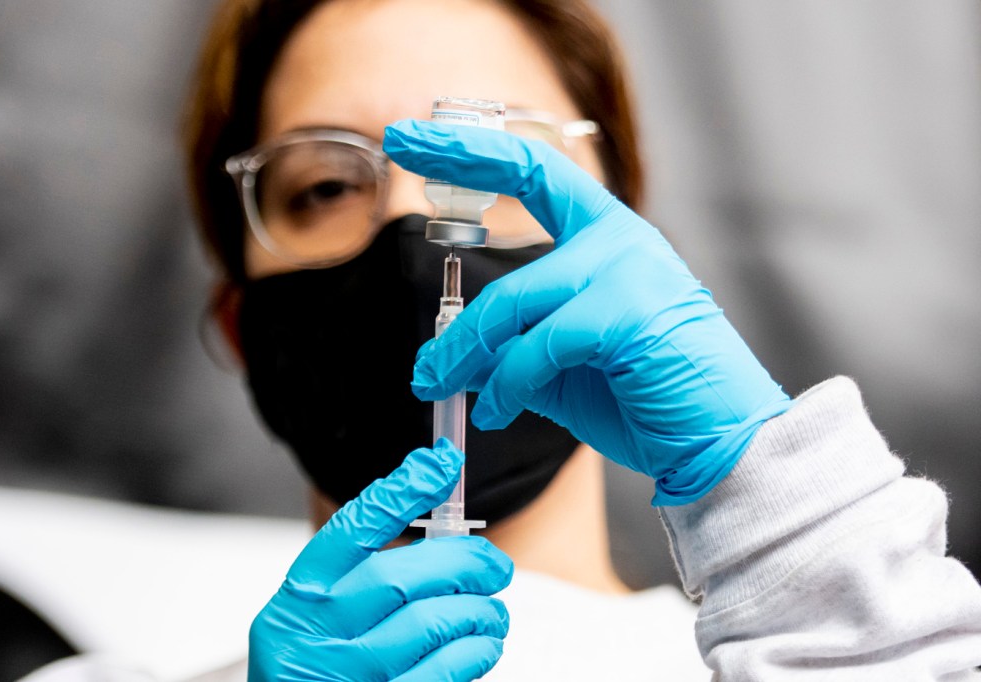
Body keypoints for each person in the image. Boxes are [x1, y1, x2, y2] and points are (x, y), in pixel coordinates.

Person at [181, 0, 981, 679]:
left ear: (636, 257)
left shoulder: (787, 656)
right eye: (324, 186)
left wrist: (791, 530)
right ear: (238, 324)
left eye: (498, 165)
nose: (412, 223)